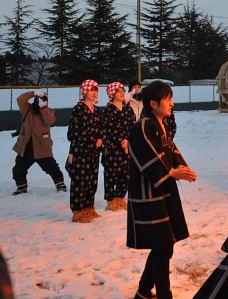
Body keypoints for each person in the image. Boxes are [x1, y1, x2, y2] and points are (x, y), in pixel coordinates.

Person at [128, 80, 197, 299]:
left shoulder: (162, 124)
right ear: (153, 103)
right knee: (163, 245)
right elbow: (149, 157)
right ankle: (162, 294)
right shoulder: (141, 127)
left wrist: (181, 167)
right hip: (149, 193)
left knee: (164, 244)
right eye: (168, 100)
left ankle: (143, 291)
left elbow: (171, 150)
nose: (172, 104)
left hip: (164, 190)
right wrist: (171, 172)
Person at [11, 90, 65, 195]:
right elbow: (20, 99)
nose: (39, 102)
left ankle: (60, 185)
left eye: (43, 100)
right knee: (18, 169)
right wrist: (33, 93)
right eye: (38, 99)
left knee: (52, 168)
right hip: (26, 146)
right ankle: (21, 188)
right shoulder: (27, 109)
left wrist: (43, 108)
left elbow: (49, 121)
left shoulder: (48, 111)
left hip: (42, 147)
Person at [66, 79, 103, 223]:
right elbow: (73, 133)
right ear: (85, 91)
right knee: (80, 181)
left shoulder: (97, 110)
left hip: (94, 152)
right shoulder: (79, 109)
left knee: (92, 180)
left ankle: (88, 208)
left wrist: (101, 139)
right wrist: (91, 140)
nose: (94, 93)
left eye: (96, 90)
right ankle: (78, 211)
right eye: (92, 90)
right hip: (80, 151)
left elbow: (102, 128)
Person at [101, 81, 135, 211]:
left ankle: (120, 198)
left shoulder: (128, 109)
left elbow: (133, 126)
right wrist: (122, 141)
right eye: (118, 91)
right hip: (113, 148)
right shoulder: (108, 111)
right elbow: (109, 130)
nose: (121, 93)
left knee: (126, 173)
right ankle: (111, 200)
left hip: (128, 147)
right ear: (112, 93)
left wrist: (129, 140)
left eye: (123, 91)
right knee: (111, 173)